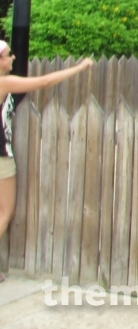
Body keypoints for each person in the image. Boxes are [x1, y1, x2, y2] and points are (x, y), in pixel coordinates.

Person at [0, 41, 94, 283]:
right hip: (1, 156)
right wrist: (80, 67)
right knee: (4, 211)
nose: (13, 58)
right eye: (9, 55)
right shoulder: (3, 82)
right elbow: (43, 83)